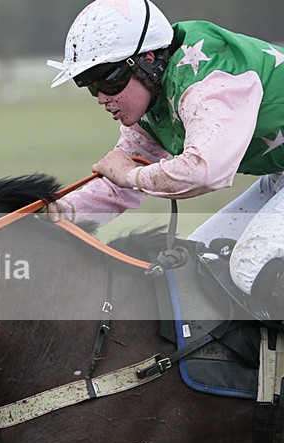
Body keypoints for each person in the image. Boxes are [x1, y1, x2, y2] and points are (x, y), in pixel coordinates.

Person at [45, 0, 284, 318]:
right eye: (91, 86)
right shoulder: (153, 94)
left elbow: (205, 170)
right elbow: (118, 187)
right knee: (197, 263)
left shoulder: (205, 82)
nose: (102, 97)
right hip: (278, 176)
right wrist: (59, 216)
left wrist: (131, 175)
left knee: (251, 267)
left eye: (108, 80)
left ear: (146, 59)